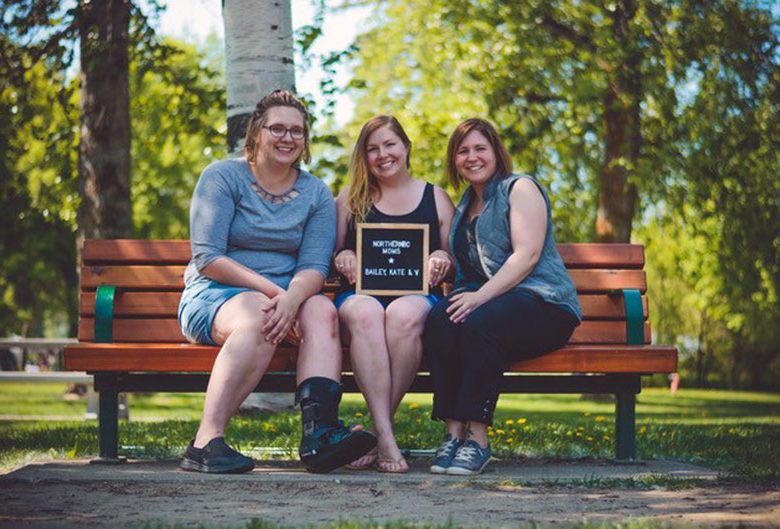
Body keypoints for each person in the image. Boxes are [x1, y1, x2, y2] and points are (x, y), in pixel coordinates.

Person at [177, 90, 376, 474]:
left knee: (321, 309)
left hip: (290, 297)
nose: (288, 138)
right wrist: (278, 296)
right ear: (256, 133)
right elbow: (209, 258)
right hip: (217, 295)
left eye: (297, 131)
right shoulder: (222, 177)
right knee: (259, 317)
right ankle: (205, 441)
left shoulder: (316, 192)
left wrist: (292, 298)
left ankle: (319, 436)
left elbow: (315, 266)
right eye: (278, 129)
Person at [424, 118, 582, 475]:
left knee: (480, 321)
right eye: (463, 151)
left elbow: (526, 256)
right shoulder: (464, 208)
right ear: (455, 161)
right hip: (497, 307)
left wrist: (477, 299)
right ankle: (452, 434)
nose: (472, 157)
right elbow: (467, 274)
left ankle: (477, 438)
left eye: (480, 148)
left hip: (546, 305)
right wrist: (441, 263)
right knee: (439, 319)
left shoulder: (520, 188)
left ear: (496, 152)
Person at [333, 115, 455, 473]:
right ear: (363, 157)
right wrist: (343, 255)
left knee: (402, 315)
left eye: (390, 145)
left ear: (406, 148)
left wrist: (441, 257)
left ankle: (376, 431)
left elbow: (453, 261)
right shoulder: (350, 199)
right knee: (368, 313)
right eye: (372, 149)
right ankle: (386, 437)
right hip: (359, 296)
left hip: (416, 296)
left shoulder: (436, 197)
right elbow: (327, 257)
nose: (382, 154)